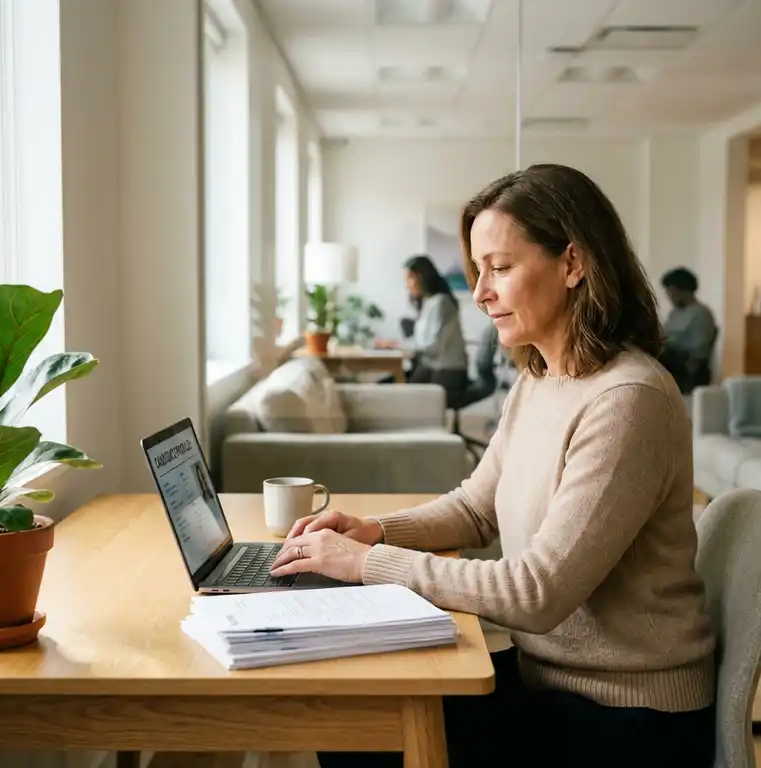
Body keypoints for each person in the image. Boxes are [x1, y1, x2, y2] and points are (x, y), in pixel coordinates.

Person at [269, 163, 717, 767]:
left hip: (626, 719)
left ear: (573, 264)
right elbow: (475, 508)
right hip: (553, 681)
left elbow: (536, 593)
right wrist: (374, 530)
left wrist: (368, 564)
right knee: (357, 711)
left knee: (362, 733)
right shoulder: (541, 379)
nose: (480, 293)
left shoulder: (627, 400)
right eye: (479, 269)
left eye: (500, 268)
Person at [377, 254, 469, 402]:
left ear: (422, 276)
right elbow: (422, 341)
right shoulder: (429, 303)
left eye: (409, 278)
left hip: (446, 372)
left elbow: (431, 346)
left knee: (396, 395)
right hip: (432, 368)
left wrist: (400, 346)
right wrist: (397, 344)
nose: (407, 284)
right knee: (387, 388)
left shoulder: (441, 302)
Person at [659, 267, 717, 393]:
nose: (669, 297)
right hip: (671, 358)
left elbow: (700, 350)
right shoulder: (674, 313)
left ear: (685, 291)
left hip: (687, 365)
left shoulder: (701, 314)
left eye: (672, 292)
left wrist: (669, 345)